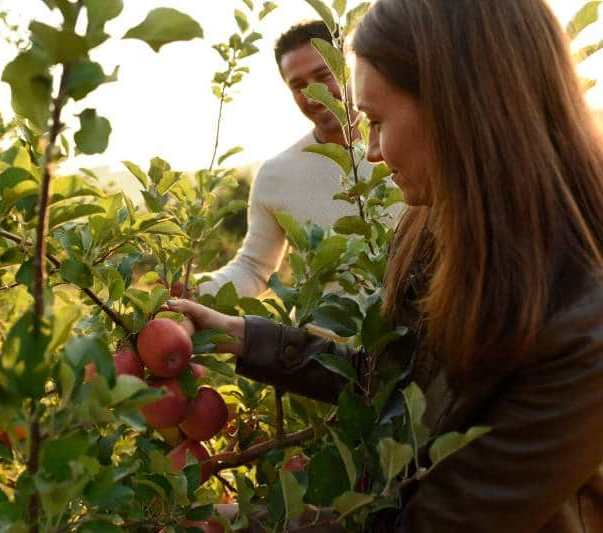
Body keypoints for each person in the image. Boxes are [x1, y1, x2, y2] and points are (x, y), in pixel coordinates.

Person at [170, 0, 603, 531]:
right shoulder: (432, 225)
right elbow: (392, 379)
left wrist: (244, 524)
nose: (370, 151)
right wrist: (242, 336)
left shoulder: (585, 329)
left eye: (374, 120)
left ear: (460, 109)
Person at [197, 21, 363, 298]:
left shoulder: (409, 151)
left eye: (324, 75)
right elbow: (252, 269)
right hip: (318, 341)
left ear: (352, 66)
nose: (312, 95)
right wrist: (194, 288)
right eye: (298, 86)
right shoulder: (277, 175)